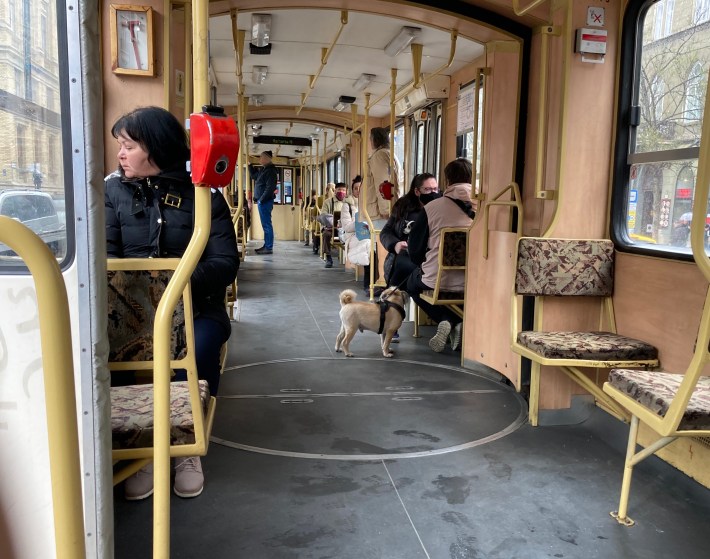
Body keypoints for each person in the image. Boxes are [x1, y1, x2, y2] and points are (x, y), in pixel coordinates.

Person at [105, 106, 239, 500]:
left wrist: (174, 286)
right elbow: (108, 256)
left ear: (156, 148)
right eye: (120, 146)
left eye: (128, 146)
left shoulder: (203, 196)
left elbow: (223, 262)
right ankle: (144, 446)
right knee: (122, 349)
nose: (121, 154)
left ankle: (185, 442)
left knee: (198, 344)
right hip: (130, 310)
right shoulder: (112, 192)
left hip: (195, 305)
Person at [406, 158, 474, 353]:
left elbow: (415, 250)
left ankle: (449, 320)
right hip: (475, 280)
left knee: (412, 283)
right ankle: (459, 322)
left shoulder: (431, 208)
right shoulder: (486, 204)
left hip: (438, 279)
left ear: (447, 180)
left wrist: (422, 264)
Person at [380, 173, 438, 288]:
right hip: (406, 254)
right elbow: (386, 232)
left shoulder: (440, 208)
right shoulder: (403, 207)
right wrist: (395, 244)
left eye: (435, 189)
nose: (433, 193)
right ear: (417, 191)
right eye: (427, 189)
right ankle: (393, 298)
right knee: (404, 267)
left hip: (430, 256)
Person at [363, 127, 403, 227]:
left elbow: (383, 183)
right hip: (389, 207)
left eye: (370, 138)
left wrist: (385, 209)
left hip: (379, 213)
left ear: (374, 140)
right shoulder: (390, 154)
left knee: (378, 241)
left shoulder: (379, 156)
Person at [249, 150, 278, 255]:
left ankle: (269, 247)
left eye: (261, 157)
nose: (259, 159)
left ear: (266, 159)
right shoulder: (264, 169)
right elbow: (254, 177)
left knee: (267, 225)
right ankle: (266, 245)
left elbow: (270, 188)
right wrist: (249, 165)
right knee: (265, 224)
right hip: (263, 201)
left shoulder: (271, 171)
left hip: (265, 202)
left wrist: (261, 199)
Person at [319, 182, 352, 268]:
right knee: (326, 234)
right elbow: (323, 216)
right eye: (339, 190)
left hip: (346, 227)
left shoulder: (349, 202)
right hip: (332, 228)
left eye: (343, 190)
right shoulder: (328, 202)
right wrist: (332, 223)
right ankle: (328, 257)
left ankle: (351, 258)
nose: (341, 192)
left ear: (346, 191)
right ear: (335, 191)